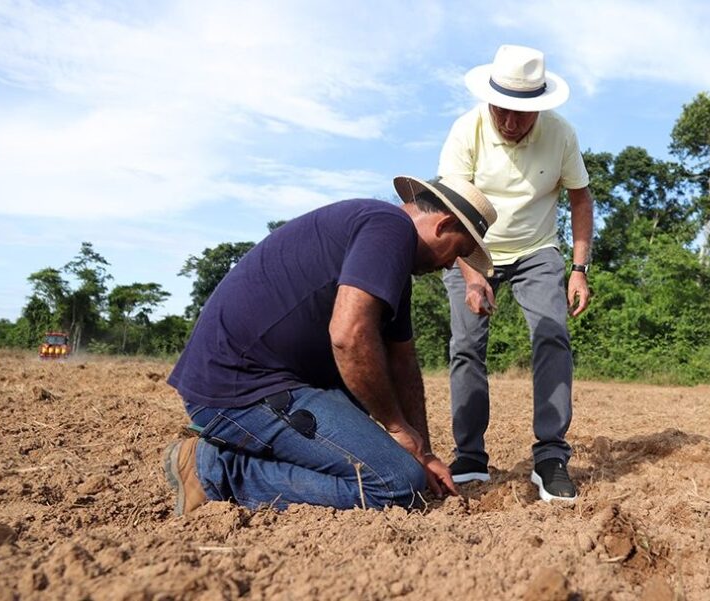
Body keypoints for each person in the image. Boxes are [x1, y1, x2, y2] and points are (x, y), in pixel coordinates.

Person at [162, 176, 498, 515]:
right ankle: (215, 470)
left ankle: (248, 451)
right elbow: (349, 335)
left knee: (399, 461)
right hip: (241, 388)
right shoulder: (389, 227)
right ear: (445, 224)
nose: (447, 265)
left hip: (273, 385)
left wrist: (422, 452)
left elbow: (402, 362)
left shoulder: (390, 254)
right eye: (458, 251)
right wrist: (396, 428)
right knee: (395, 483)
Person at [438, 45, 594, 502]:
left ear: (539, 106)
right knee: (466, 345)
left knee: (553, 336)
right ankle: (469, 455)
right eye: (502, 111)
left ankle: (550, 456)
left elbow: (580, 200)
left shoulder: (562, 135)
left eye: (521, 114)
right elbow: (450, 208)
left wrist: (579, 269)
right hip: (472, 248)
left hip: (536, 249)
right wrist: (469, 273)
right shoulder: (466, 131)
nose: (510, 122)